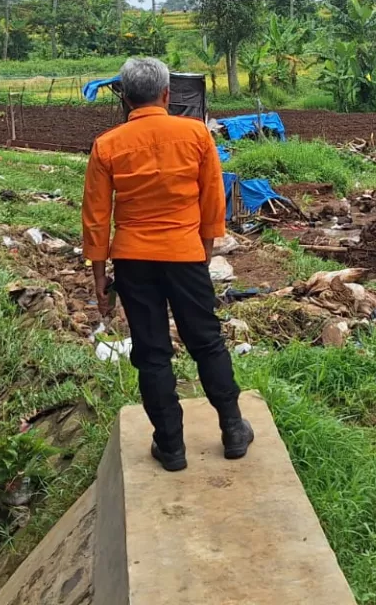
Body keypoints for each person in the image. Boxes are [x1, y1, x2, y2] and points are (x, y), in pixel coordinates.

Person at [82, 57, 254, 471]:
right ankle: (232, 430)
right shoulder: (195, 134)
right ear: (166, 94)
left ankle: (171, 447)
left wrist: (99, 277)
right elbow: (213, 199)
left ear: (124, 96)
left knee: (152, 351)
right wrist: (205, 250)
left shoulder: (107, 145)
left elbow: (96, 216)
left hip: (133, 259)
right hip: (185, 254)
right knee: (207, 341)